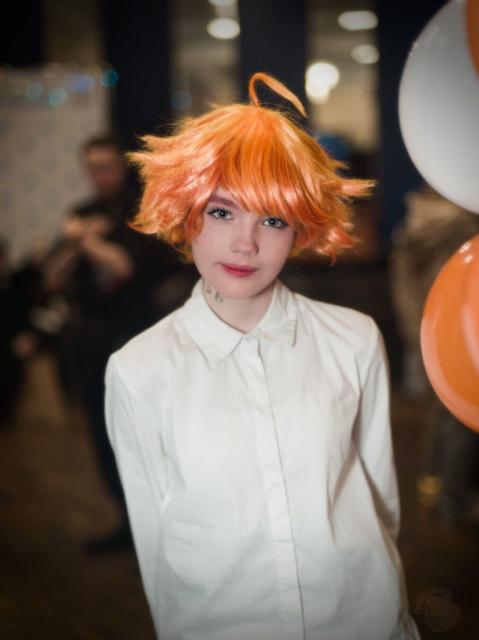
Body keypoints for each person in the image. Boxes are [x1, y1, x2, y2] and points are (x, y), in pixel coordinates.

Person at [104, 73, 421, 639]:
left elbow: (381, 501)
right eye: (223, 212)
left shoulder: (354, 338)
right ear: (187, 212)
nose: (246, 243)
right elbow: (154, 538)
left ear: (299, 229)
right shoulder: (139, 368)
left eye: (272, 220)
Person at [44, 133, 179, 552]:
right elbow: (52, 278)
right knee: (103, 435)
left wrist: (90, 242)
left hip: (135, 336)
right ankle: (127, 522)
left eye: (104, 167)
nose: (97, 176)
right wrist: (73, 245)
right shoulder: (82, 213)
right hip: (91, 341)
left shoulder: (142, 212)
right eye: (91, 168)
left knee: (145, 433)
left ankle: (162, 523)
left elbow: (123, 270)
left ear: (121, 168)